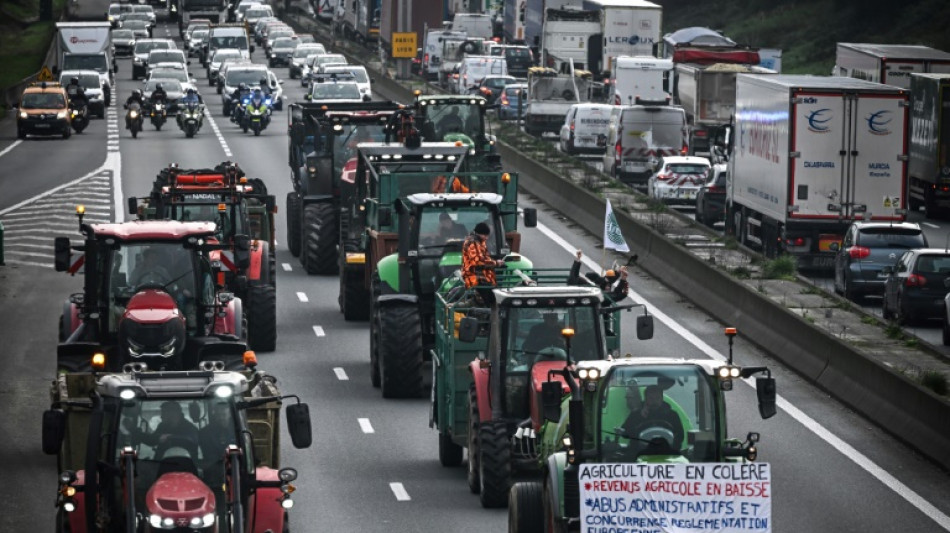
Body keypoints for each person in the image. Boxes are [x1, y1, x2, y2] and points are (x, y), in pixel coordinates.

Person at [622, 384, 684, 452]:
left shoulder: (672, 415)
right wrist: (639, 417)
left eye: (657, 398)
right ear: (646, 399)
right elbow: (624, 433)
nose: (654, 401)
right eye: (651, 398)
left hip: (667, 452)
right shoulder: (636, 414)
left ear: (662, 398)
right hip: (639, 453)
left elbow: (680, 436)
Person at [462, 222, 504, 304]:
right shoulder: (473, 243)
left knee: (492, 300)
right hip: (476, 277)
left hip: (481, 276)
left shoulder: (479, 241)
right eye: (485, 235)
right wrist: (496, 263)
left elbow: (484, 258)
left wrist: (494, 263)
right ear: (479, 233)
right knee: (489, 301)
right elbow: (478, 262)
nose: (487, 238)